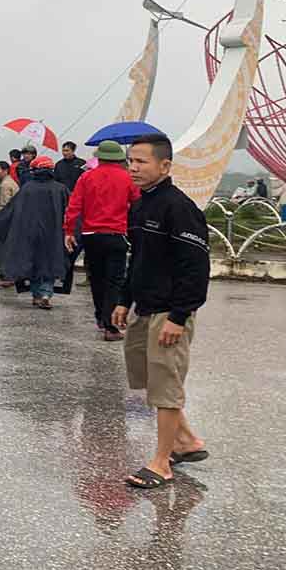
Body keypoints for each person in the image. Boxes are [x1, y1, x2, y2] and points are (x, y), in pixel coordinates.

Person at [112, 134, 211, 490]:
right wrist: (124, 299)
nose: (133, 168)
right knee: (149, 381)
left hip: (169, 312)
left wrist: (179, 316)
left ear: (165, 165)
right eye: (130, 161)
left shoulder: (179, 208)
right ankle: (187, 441)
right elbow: (136, 258)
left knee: (166, 386)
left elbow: (196, 268)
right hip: (145, 307)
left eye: (141, 161)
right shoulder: (141, 206)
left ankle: (161, 463)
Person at [64, 140, 139, 341]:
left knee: (97, 279)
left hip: (90, 236)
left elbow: (74, 206)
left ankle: (100, 318)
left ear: (99, 157)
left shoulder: (86, 177)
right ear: (119, 158)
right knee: (114, 281)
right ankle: (110, 327)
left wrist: (69, 231)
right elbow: (137, 204)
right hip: (116, 235)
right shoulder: (127, 178)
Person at [0, 155, 68, 309]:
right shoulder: (60, 189)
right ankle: (46, 294)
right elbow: (71, 212)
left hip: (29, 234)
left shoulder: (27, 188)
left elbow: (11, 211)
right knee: (50, 263)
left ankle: (37, 295)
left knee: (33, 263)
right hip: (53, 235)